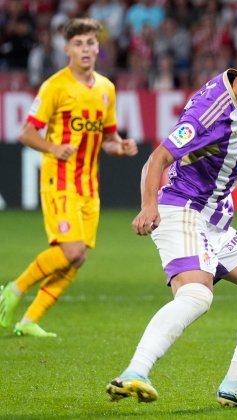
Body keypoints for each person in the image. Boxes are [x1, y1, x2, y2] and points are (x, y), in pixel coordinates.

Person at [105, 32, 237, 409]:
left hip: (214, 222)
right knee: (196, 295)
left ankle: (236, 384)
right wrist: (148, 207)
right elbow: (158, 158)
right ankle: (135, 372)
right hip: (183, 211)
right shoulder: (211, 111)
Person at [0, 18, 138, 338]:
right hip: (59, 179)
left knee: (77, 260)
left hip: (89, 184)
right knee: (71, 250)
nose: (85, 49)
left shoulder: (106, 88)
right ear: (67, 49)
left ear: (98, 47)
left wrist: (121, 147)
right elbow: (25, 133)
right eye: (78, 44)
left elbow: (108, 138)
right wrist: (52, 147)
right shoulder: (54, 86)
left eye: (90, 43)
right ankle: (14, 289)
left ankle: (30, 320)